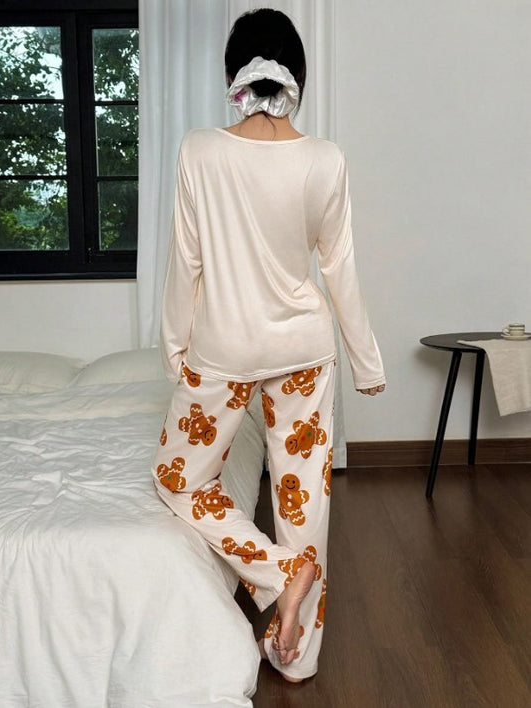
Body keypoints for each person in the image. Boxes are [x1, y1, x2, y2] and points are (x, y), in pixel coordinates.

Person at [151, 8, 385, 684]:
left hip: (223, 348)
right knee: (302, 500)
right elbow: (339, 266)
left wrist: (175, 350)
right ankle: (297, 655)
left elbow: (186, 261)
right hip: (305, 350)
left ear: (236, 74)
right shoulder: (325, 157)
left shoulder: (199, 149)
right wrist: (366, 361)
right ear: (294, 77)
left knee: (176, 479)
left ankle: (279, 573)